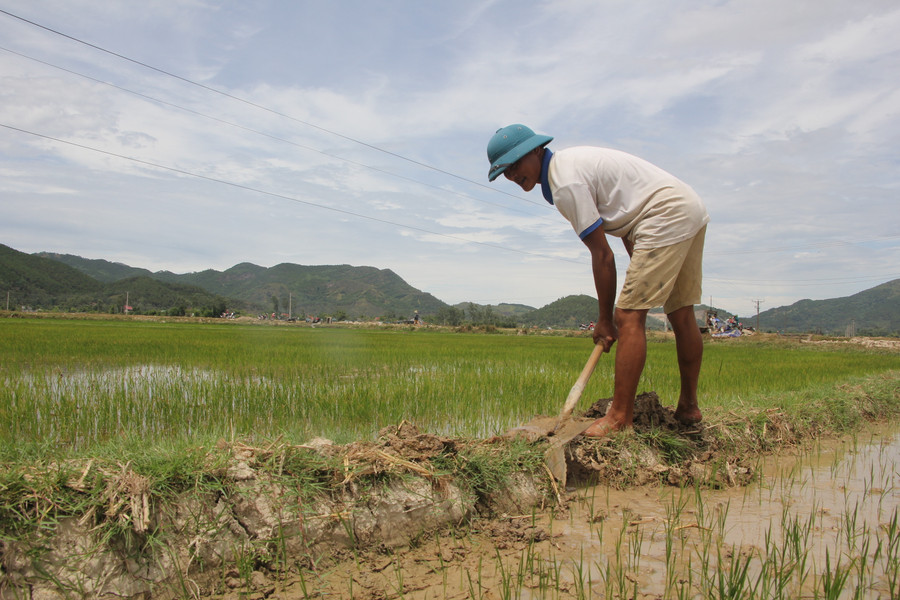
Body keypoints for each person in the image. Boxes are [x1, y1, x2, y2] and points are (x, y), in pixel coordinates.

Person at [486, 124, 710, 436]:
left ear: (536, 151)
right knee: (681, 310)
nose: (512, 175)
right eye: (504, 172)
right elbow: (628, 222)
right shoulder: (570, 165)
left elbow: (602, 255)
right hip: (687, 208)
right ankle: (688, 408)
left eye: (515, 165)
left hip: (664, 215)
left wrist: (606, 319)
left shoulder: (564, 183)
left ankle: (619, 417)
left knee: (628, 315)